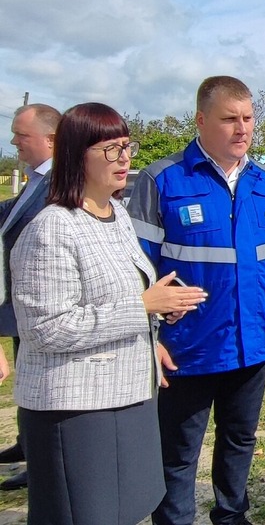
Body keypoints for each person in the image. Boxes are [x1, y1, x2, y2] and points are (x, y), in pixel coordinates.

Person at [10, 103, 206, 524]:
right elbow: (45, 329)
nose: (125, 159)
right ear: (77, 154)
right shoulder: (51, 227)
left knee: (130, 506)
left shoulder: (115, 214)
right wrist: (142, 307)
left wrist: (157, 316)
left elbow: (122, 295)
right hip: (76, 408)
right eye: (111, 149)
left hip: (129, 394)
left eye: (126, 147)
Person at [128, 76, 265, 525]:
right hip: (185, 347)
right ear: (201, 120)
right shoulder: (163, 181)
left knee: (240, 438)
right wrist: (148, 336)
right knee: (178, 451)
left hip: (252, 342)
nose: (242, 128)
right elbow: (134, 268)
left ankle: (231, 515)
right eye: (230, 119)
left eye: (248, 118)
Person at [0, 103, 61, 492]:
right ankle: (28, 446)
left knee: (42, 391)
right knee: (29, 384)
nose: (13, 141)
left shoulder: (58, 185)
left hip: (42, 307)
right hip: (23, 307)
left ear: (50, 139)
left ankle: (39, 461)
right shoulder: (35, 179)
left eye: (21, 135)